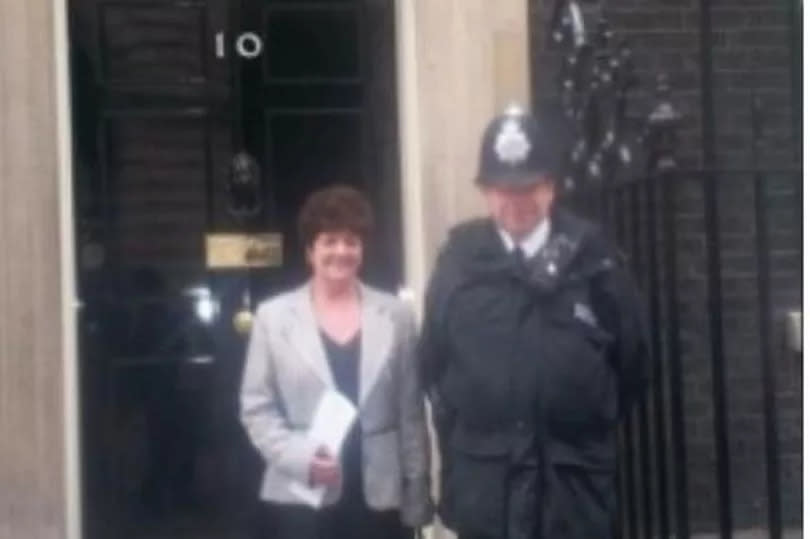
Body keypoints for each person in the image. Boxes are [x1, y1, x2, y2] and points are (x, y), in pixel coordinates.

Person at [419, 105, 651, 539]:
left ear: (551, 187)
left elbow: (632, 364)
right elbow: (433, 366)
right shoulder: (457, 263)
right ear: (485, 192)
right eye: (503, 189)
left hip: (571, 493)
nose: (517, 201)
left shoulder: (595, 261)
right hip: (485, 494)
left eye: (529, 186)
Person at [240, 185, 433, 539]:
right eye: (329, 241)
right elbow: (256, 408)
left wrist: (418, 495)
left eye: (351, 241)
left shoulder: (396, 315)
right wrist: (300, 459)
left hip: (378, 500)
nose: (341, 252)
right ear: (310, 250)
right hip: (302, 499)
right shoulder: (274, 318)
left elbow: (410, 414)